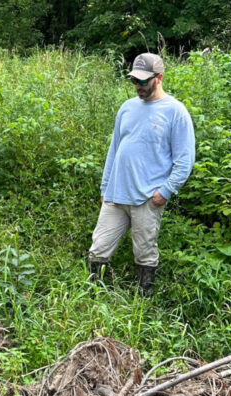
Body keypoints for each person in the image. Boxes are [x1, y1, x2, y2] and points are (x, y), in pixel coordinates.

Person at [87, 53, 196, 296]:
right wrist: (105, 189)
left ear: (159, 78)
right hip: (116, 195)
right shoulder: (127, 108)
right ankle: (94, 299)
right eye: (135, 81)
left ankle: (142, 303)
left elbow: (185, 160)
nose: (139, 86)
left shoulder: (175, 112)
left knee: (144, 252)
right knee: (98, 249)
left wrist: (165, 192)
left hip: (148, 197)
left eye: (144, 81)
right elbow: (113, 150)